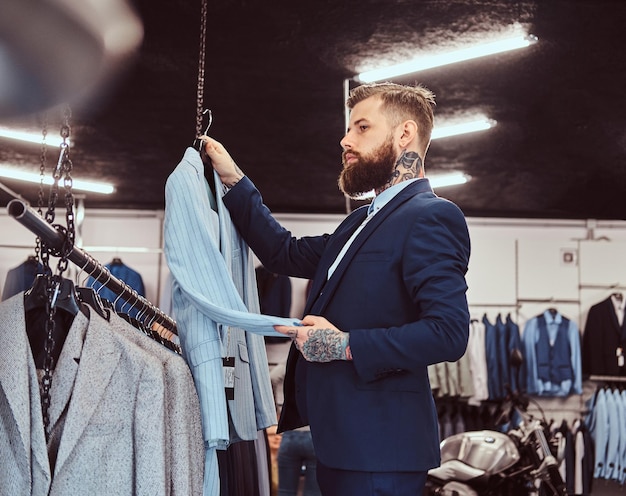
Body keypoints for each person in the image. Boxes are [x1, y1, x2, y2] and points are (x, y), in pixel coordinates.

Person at [201, 81, 471, 496]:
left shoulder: (432, 216)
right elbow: (283, 253)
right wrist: (232, 179)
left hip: (381, 452)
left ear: (405, 134)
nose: (345, 140)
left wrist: (343, 345)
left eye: (362, 127)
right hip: (339, 445)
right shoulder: (358, 222)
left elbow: (449, 333)